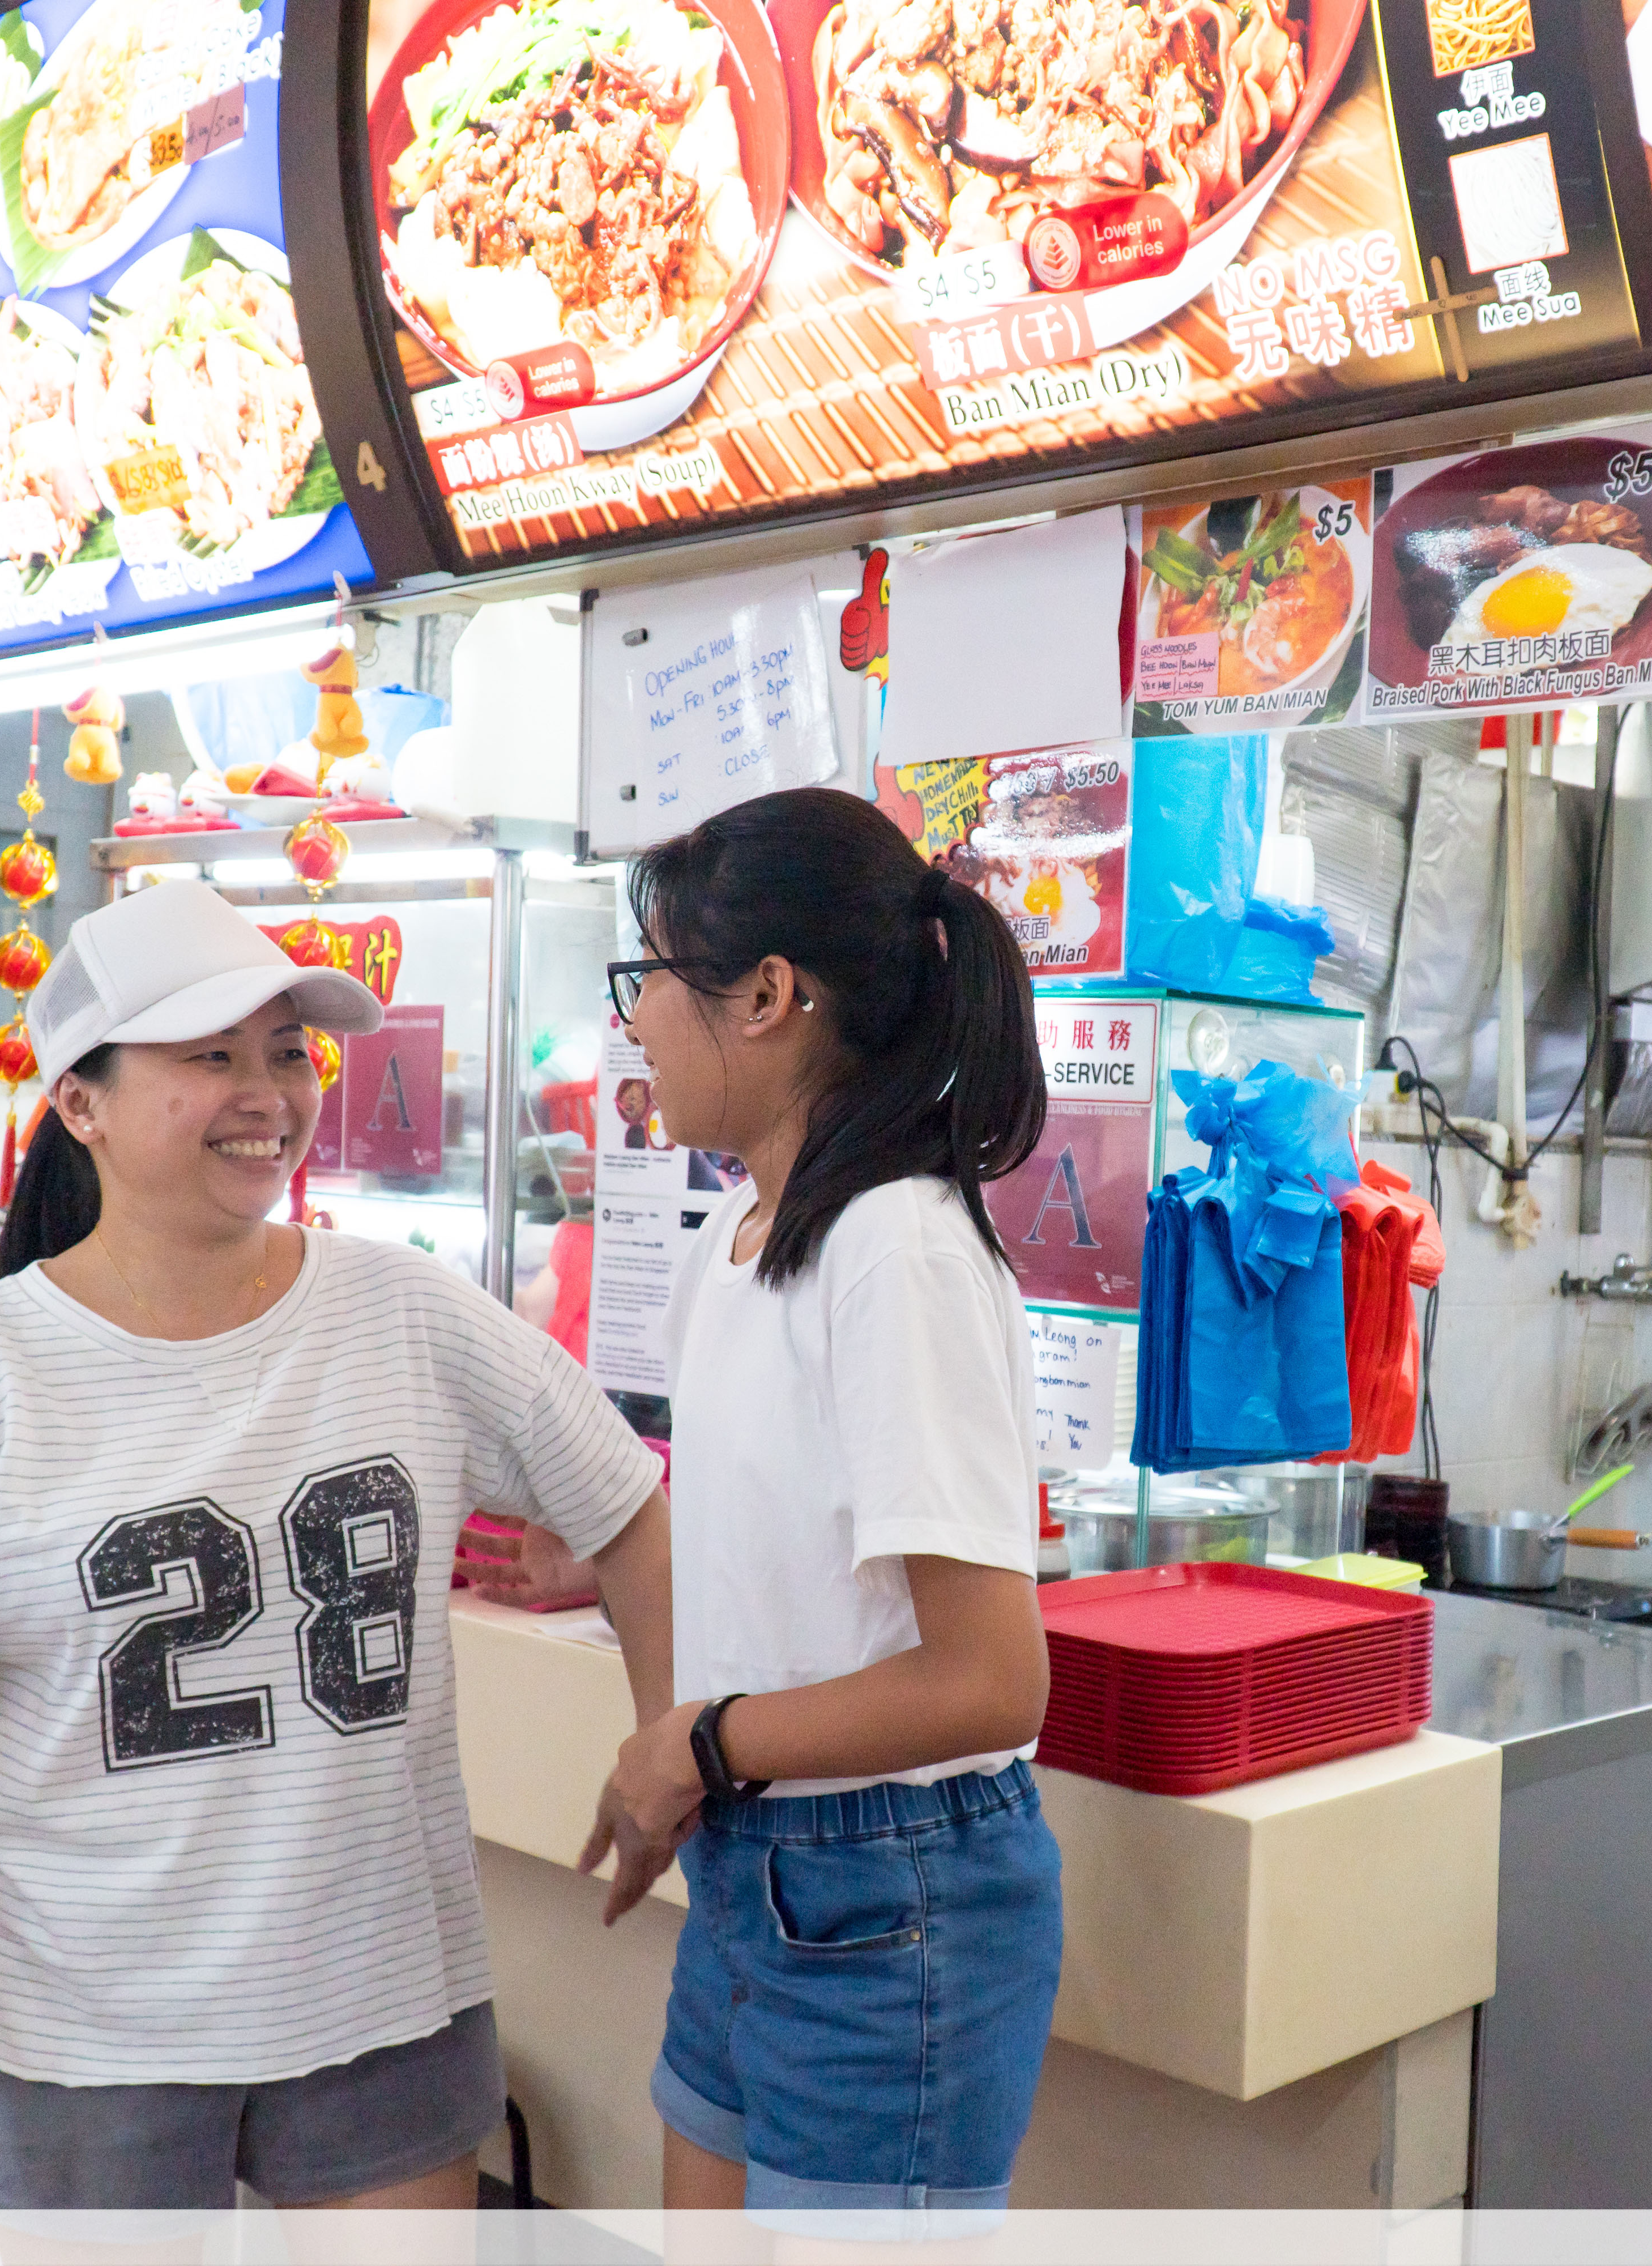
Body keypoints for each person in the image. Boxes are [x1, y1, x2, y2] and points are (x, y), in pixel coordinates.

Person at [0, 878, 676, 2220]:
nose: (267, 1093)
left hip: (383, 1992)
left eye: (285, 1052)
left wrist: (664, 1733)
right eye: (210, 1056)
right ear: (79, 1101)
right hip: (77, 2028)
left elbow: (627, 1505)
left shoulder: (407, 1312)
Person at [582, 787, 1061, 2225]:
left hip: (890, 1892)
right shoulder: (738, 1236)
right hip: (759, 1860)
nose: (636, 1021)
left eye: (650, 978)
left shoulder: (896, 1246)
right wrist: (692, 1755)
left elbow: (988, 1678)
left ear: (770, 996)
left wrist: (700, 1746)